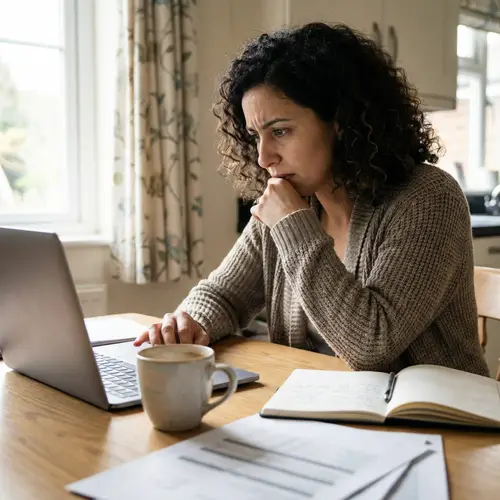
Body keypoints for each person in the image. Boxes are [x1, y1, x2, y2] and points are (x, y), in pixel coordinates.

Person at [134, 22, 489, 376]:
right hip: (326, 411)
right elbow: (223, 295)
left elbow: (371, 346)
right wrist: (186, 324)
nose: (263, 156)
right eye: (255, 135)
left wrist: (293, 225)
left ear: (340, 121)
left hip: (438, 422)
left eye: (280, 131)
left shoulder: (427, 199)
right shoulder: (288, 203)